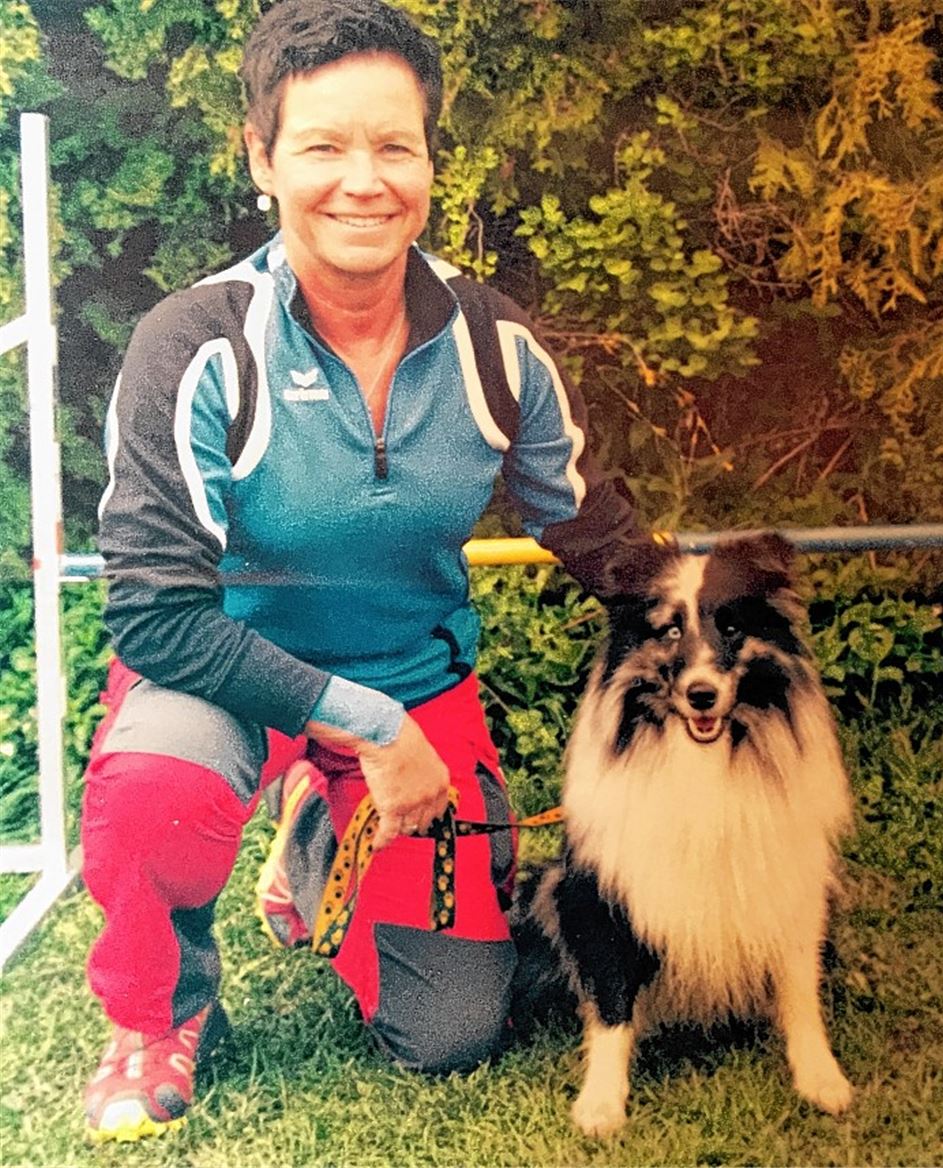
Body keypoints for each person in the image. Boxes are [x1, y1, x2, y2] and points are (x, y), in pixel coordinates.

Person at [80, 0, 651, 1145]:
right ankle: (160, 1013)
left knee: (448, 1032)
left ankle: (313, 837)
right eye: (323, 146)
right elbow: (152, 614)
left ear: (431, 160)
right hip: (225, 682)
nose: (363, 180)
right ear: (263, 157)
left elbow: (589, 525)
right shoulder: (193, 345)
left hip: (412, 680)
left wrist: (718, 628)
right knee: (154, 793)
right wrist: (364, 724)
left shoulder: (493, 346)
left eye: (394, 145)